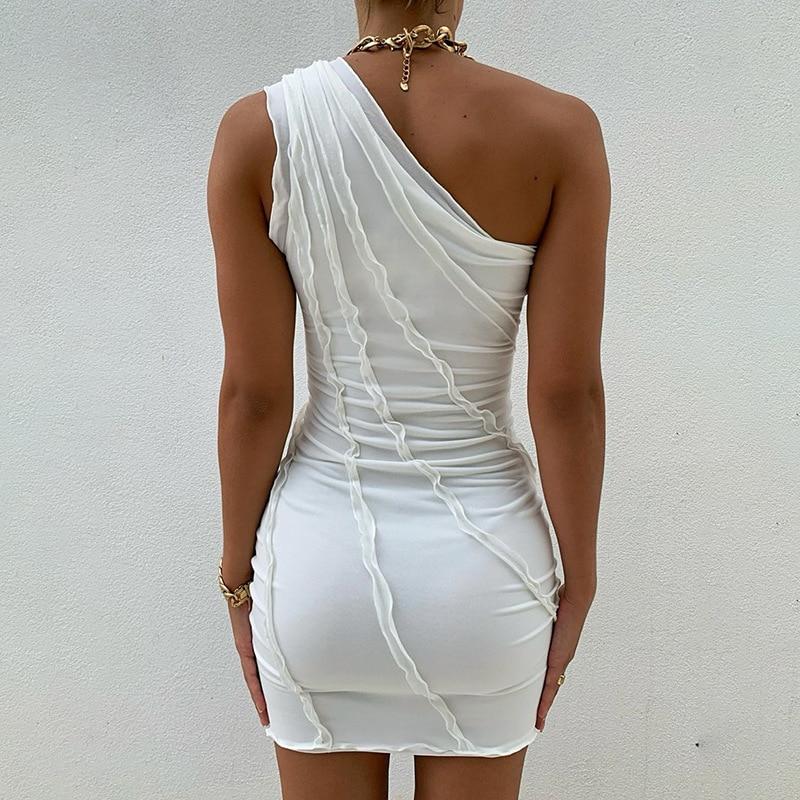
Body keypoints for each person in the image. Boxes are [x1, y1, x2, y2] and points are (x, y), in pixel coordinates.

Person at [206, 0, 610, 797]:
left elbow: (254, 396)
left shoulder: (258, 131)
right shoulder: (560, 132)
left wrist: (235, 577)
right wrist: (582, 577)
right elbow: (568, 395)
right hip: (484, 578)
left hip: (318, 571)